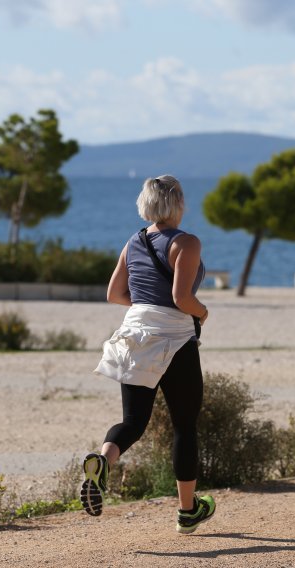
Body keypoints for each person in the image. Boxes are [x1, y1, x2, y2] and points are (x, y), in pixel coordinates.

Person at [80, 175, 216, 534]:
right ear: (179, 203)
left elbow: (114, 293)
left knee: (134, 421)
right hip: (174, 338)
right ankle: (188, 512)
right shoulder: (186, 242)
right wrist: (202, 313)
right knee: (184, 426)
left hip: (134, 334)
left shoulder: (133, 241)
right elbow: (181, 299)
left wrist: (144, 308)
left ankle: (103, 459)